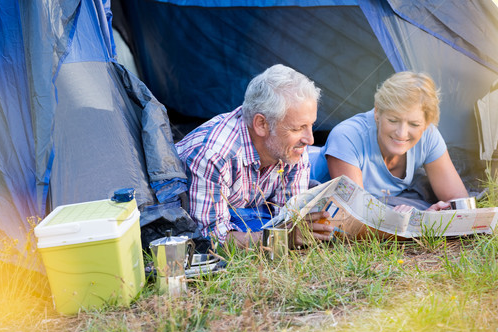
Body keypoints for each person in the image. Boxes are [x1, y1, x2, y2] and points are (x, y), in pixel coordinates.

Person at [176, 64, 333, 247]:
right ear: (261, 124)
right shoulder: (213, 156)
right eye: (297, 128)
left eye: (311, 125)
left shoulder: (291, 149)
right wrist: (281, 239)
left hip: (242, 214)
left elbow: (288, 220)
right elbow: (210, 240)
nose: (310, 139)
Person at [311, 71, 468, 211]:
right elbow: (356, 214)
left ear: (426, 124)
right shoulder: (346, 136)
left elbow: (459, 202)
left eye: (414, 124)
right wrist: (418, 220)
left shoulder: (429, 135)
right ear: (377, 112)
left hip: (382, 202)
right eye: (393, 120)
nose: (401, 133)